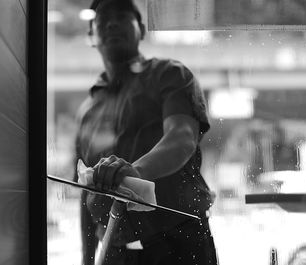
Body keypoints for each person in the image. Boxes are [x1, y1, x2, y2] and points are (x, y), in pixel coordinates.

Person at [73, 0, 218, 264]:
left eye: (122, 15)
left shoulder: (171, 75)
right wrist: (86, 259)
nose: (113, 22)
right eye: (103, 18)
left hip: (178, 244)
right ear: (91, 35)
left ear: (141, 29)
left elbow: (182, 137)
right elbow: (86, 194)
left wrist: (136, 172)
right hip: (114, 250)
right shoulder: (88, 111)